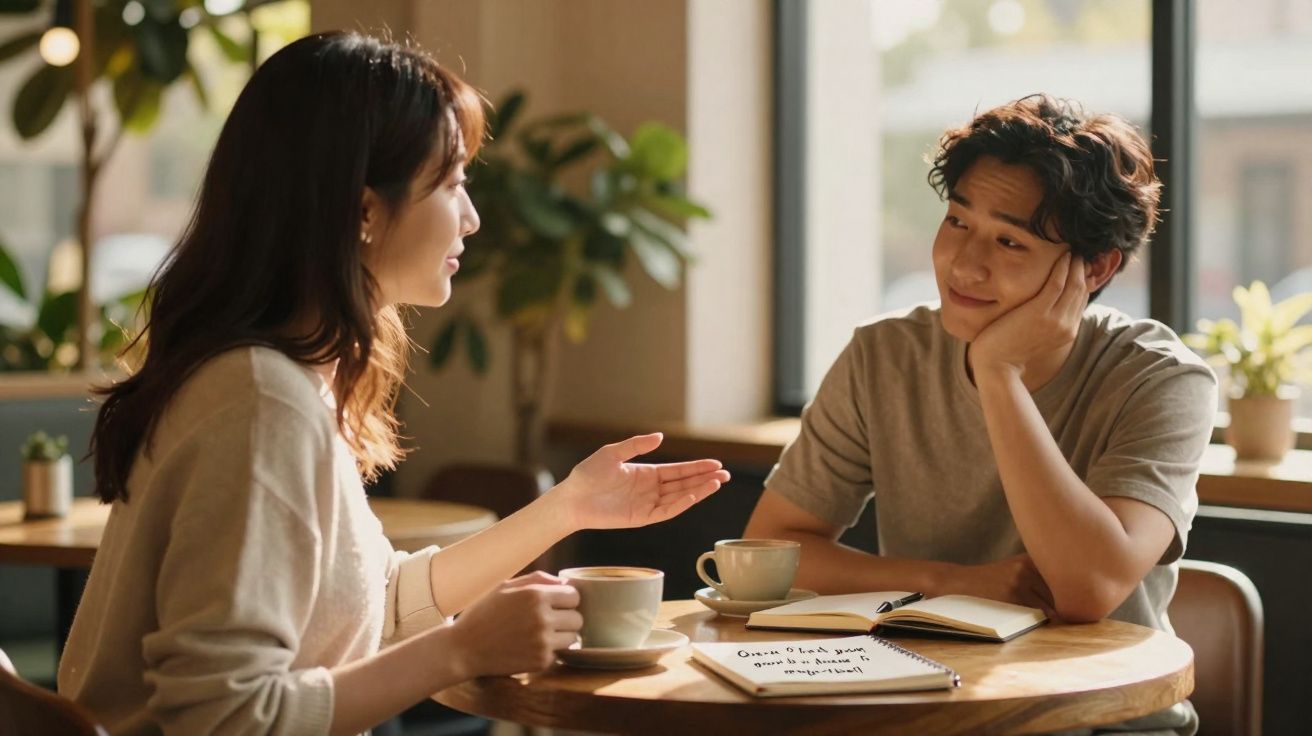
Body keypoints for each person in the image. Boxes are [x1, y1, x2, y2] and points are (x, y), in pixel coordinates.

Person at [57, 31, 729, 736]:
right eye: (451, 183)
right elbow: (223, 718)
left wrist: (568, 507)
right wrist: (460, 651)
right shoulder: (262, 404)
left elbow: (375, 602)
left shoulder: (277, 382)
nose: (470, 217)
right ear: (364, 212)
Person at [744, 94, 1215, 735]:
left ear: (1095, 267)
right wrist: (946, 582)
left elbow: (1087, 588)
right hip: (922, 703)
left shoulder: (1161, 379)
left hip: (1101, 719)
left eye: (1010, 241)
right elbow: (771, 549)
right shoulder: (883, 354)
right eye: (958, 222)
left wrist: (998, 373)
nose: (963, 263)